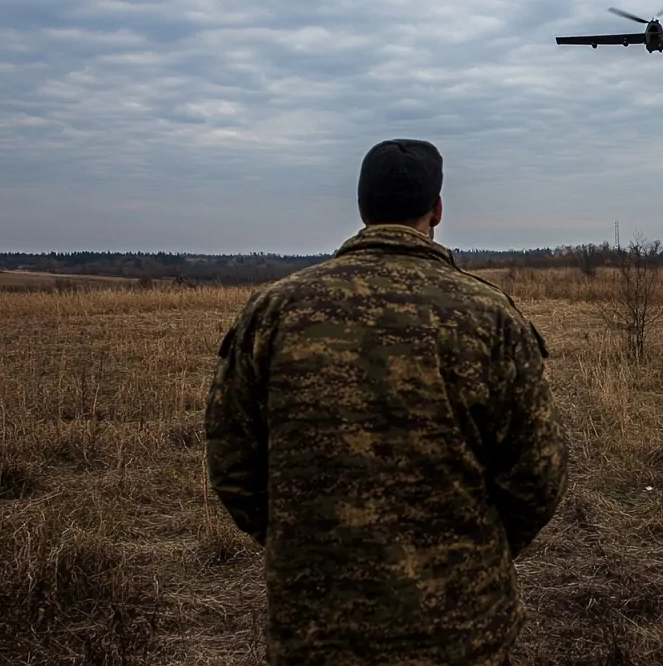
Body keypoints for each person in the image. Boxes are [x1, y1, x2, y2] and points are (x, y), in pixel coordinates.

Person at [204, 138, 569, 665]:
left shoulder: (275, 311)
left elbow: (233, 462)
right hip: (460, 632)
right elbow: (537, 474)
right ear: (437, 210)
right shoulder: (488, 317)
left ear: (361, 207)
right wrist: (472, 557)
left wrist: (305, 545)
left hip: (317, 629)